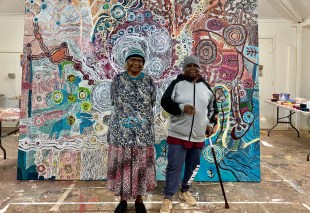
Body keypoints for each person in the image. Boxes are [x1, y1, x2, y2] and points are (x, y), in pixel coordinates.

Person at [159, 55, 218, 213]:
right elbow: (165, 101)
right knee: (173, 166)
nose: (192, 69)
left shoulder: (206, 87)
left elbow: (213, 109)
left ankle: (185, 190)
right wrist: (181, 107)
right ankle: (168, 197)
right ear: (183, 69)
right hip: (178, 133)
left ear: (199, 68)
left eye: (195, 66)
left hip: (198, 135)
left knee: (193, 166)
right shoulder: (177, 84)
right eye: (188, 66)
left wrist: (210, 124)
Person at [107, 48, 157, 213]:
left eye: (140, 61)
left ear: (143, 64)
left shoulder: (149, 81)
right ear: (127, 62)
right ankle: (122, 201)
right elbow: (114, 102)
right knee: (123, 166)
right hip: (121, 133)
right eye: (133, 60)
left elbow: (152, 102)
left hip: (142, 134)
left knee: (140, 167)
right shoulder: (118, 80)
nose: (136, 63)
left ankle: (139, 201)